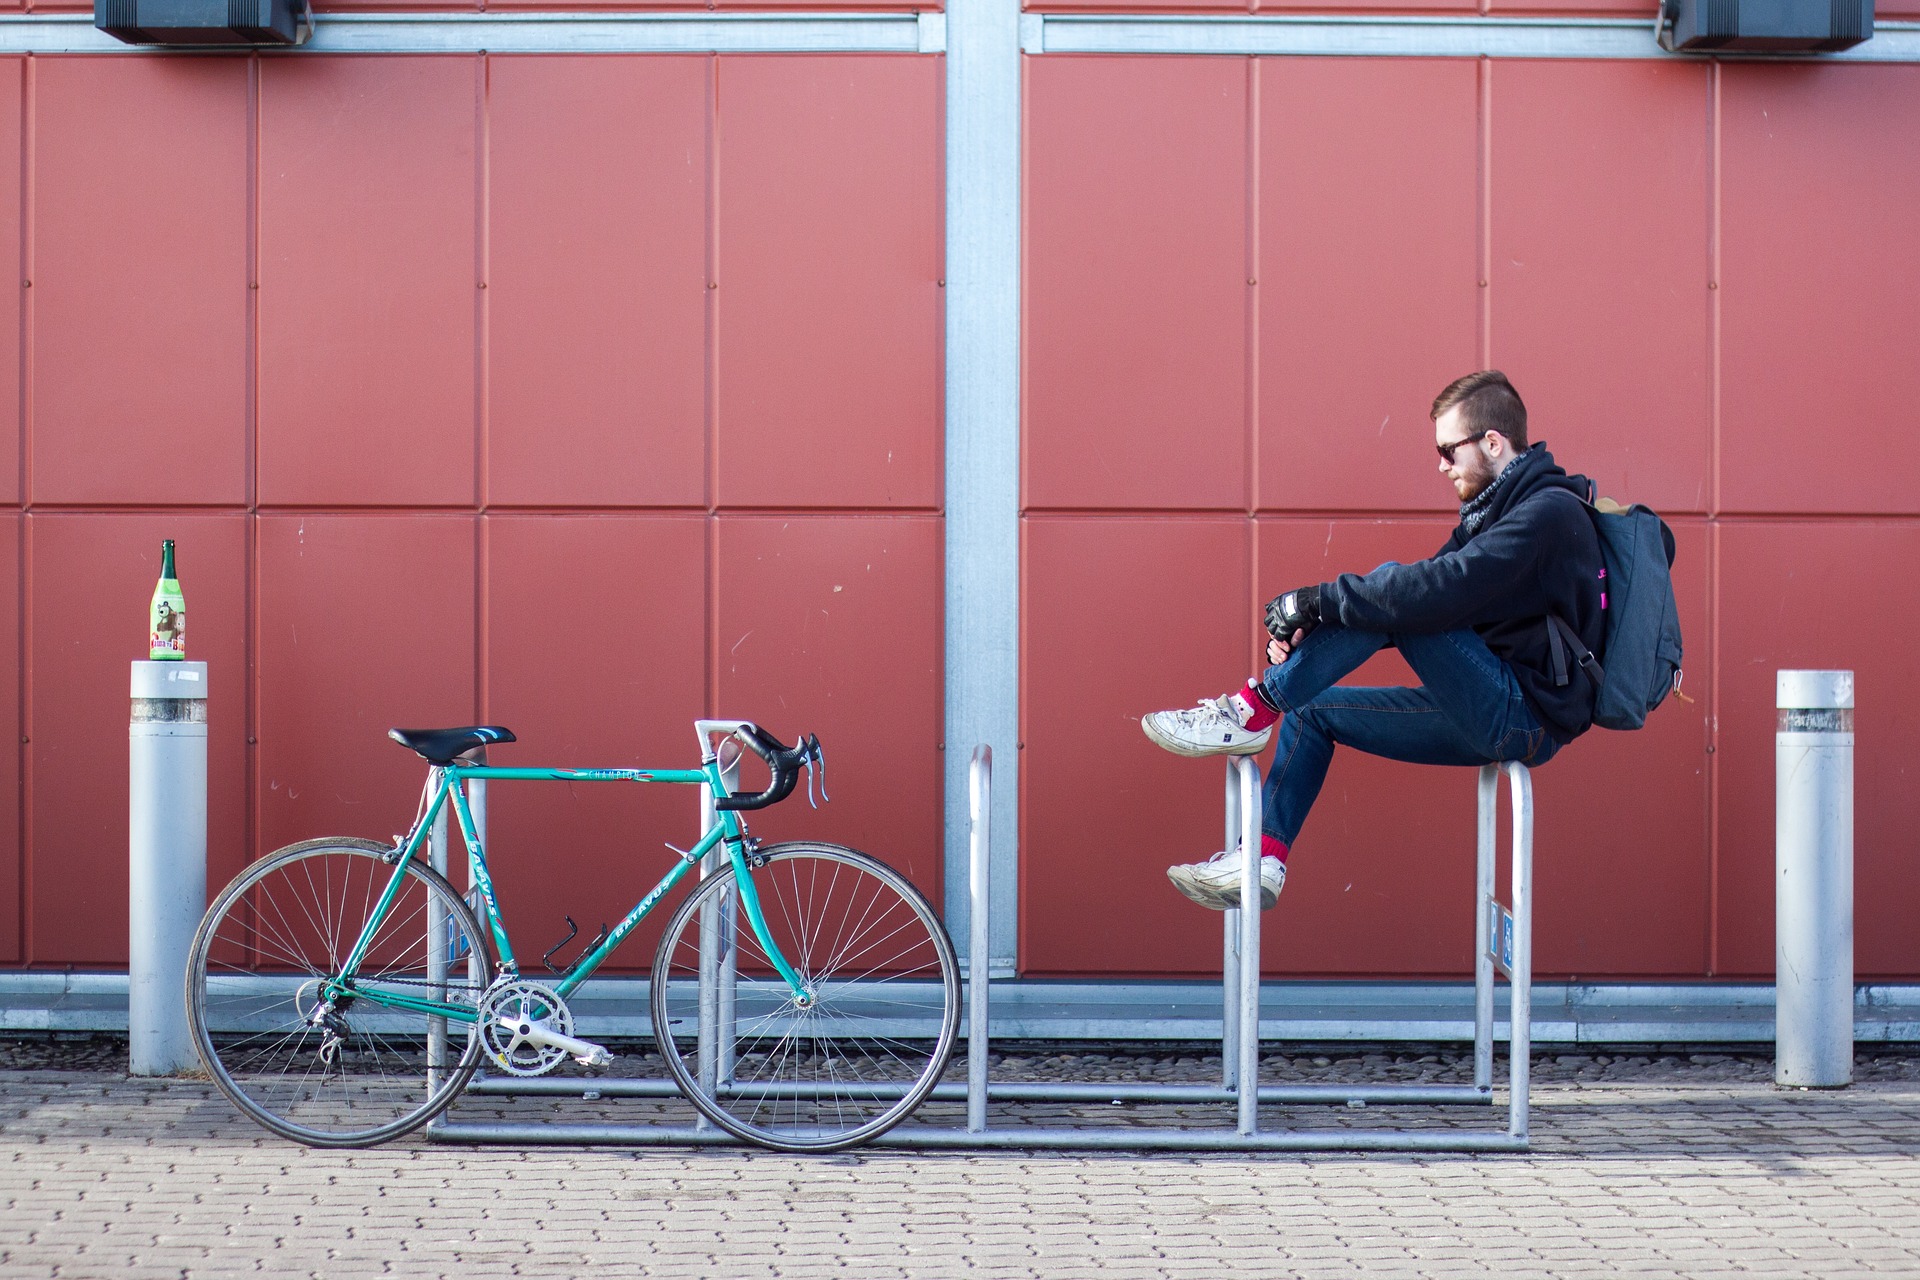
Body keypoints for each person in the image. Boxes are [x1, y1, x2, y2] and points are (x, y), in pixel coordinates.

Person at [1141, 370, 1605, 910]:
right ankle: (1263, 855)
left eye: (1449, 451)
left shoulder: (1546, 515)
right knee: (1312, 709)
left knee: (1395, 588)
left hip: (1524, 717)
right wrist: (1314, 626)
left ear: (1493, 443)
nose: (1441, 465)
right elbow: (1411, 604)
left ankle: (1250, 711)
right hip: (1485, 705)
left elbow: (1426, 594)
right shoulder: (1495, 514)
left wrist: (1317, 598)